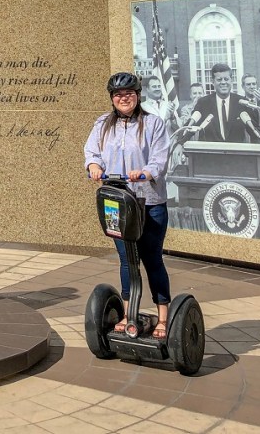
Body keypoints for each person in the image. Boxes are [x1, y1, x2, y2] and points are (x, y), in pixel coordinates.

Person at [84, 72, 171, 339]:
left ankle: (163, 317)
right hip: (117, 203)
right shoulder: (103, 124)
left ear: (138, 96)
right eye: (119, 94)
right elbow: (92, 152)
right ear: (112, 98)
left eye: (129, 94)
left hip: (149, 203)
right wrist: (94, 166)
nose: (124, 98)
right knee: (126, 261)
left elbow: (160, 158)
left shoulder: (153, 123)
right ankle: (127, 314)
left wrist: (144, 172)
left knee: (152, 259)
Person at [186, 63, 256, 143]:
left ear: (231, 81)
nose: (223, 82)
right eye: (219, 79)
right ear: (213, 82)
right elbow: (188, 129)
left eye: (226, 79)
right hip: (210, 150)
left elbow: (255, 132)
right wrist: (179, 144)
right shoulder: (203, 103)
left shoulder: (242, 102)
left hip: (236, 150)